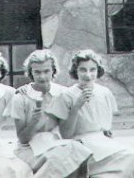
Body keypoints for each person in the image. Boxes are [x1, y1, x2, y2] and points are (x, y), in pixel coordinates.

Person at [47, 49, 134, 178]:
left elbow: (105, 126)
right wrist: (76, 107)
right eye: (83, 70)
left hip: (102, 144)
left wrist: (106, 132)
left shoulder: (104, 92)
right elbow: (66, 135)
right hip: (81, 147)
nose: (88, 75)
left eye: (92, 70)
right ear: (76, 71)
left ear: (98, 71)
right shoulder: (66, 95)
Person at [8, 49, 92, 177]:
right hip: (29, 149)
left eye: (46, 71)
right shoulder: (21, 97)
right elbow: (23, 139)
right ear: (30, 72)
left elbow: (67, 134)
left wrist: (75, 108)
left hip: (54, 143)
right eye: (37, 72)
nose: (42, 77)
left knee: (80, 152)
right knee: (57, 159)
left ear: (53, 70)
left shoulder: (63, 93)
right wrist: (34, 122)